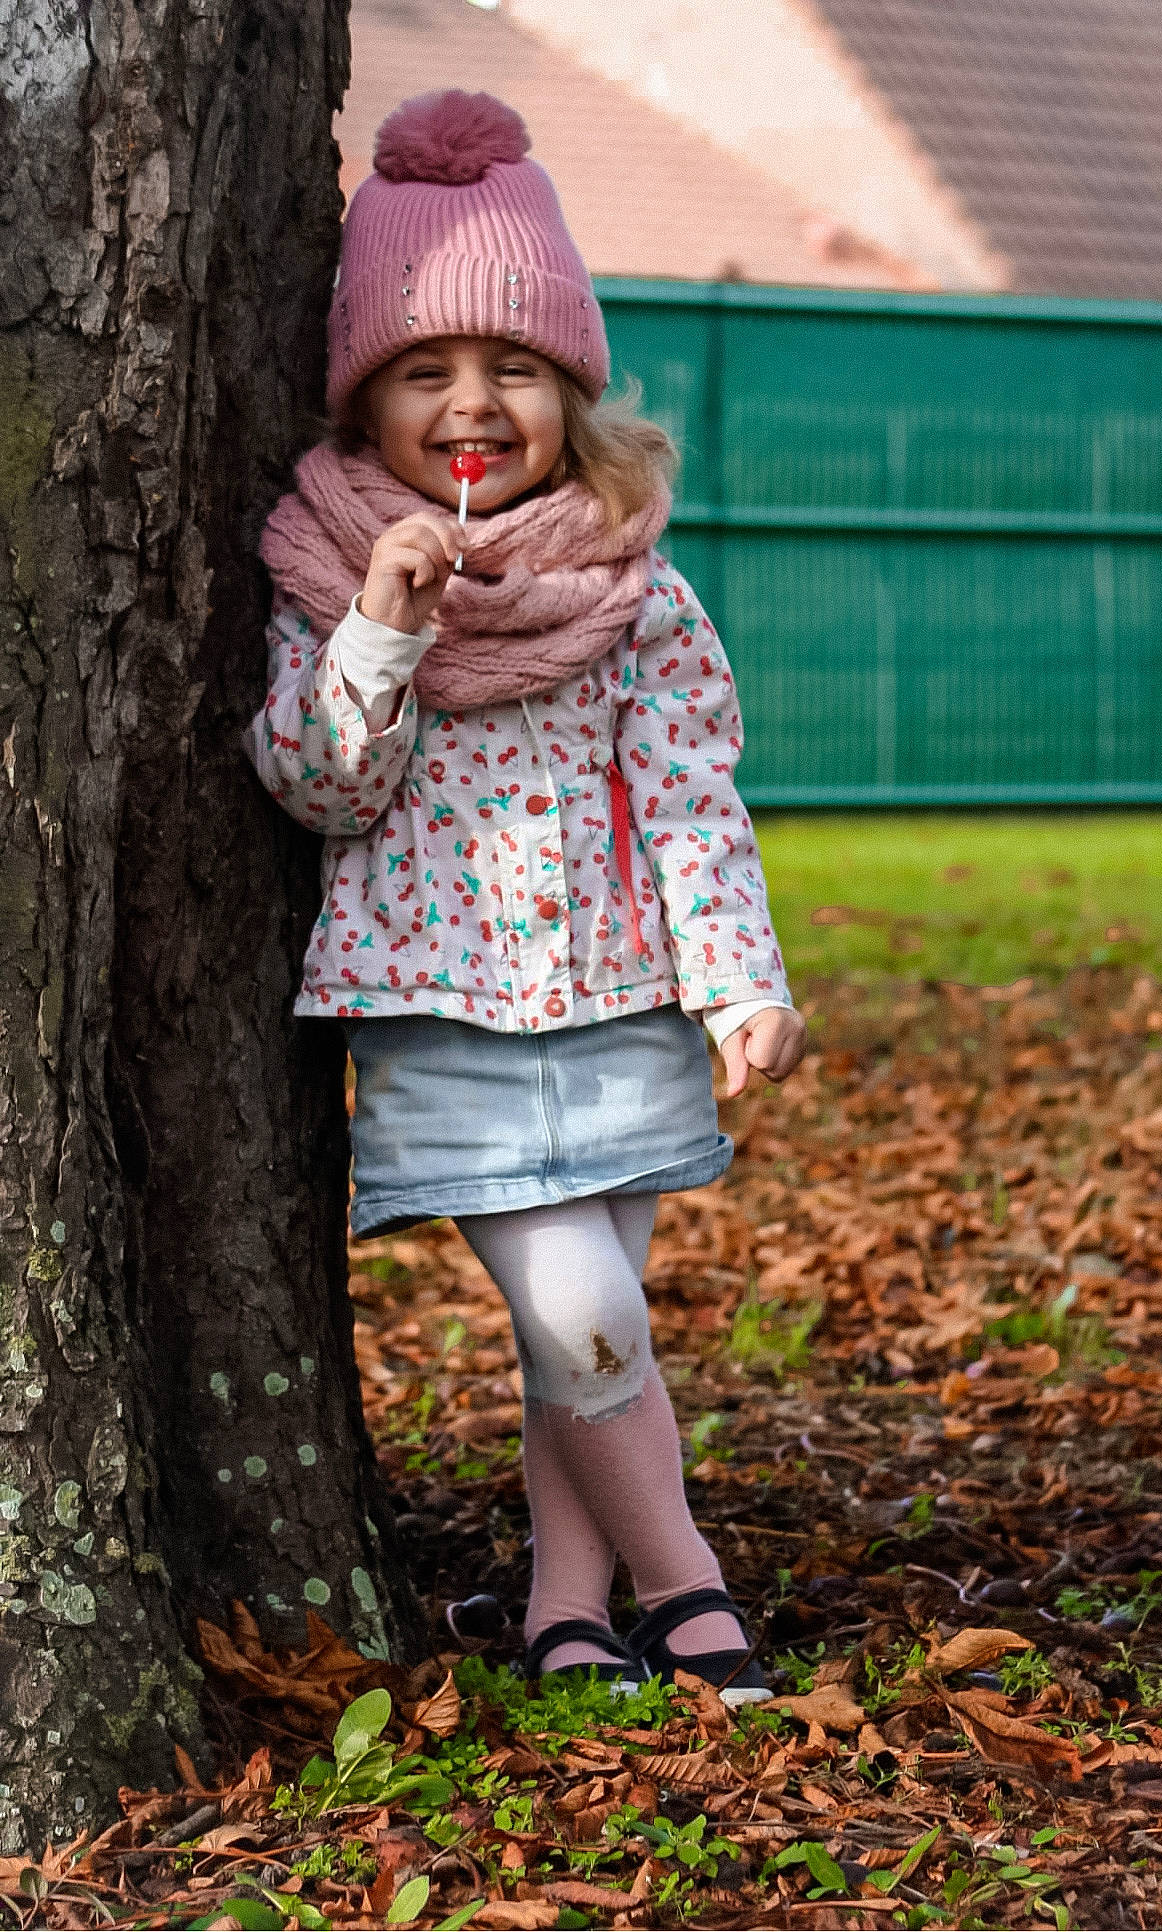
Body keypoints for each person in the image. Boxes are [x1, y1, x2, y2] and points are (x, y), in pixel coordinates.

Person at [246, 89, 806, 1704]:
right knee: (583, 1317)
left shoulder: (631, 584)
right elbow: (319, 787)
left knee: (583, 1336)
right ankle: (688, 1592)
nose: (473, 403)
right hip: (447, 1024)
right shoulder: (321, 573)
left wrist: (738, 979)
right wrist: (383, 626)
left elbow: (691, 799)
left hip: (621, 1005)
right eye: (426, 369)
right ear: (366, 396)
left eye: (516, 367)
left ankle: (568, 1613)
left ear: (572, 389)